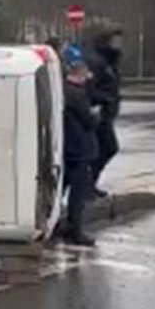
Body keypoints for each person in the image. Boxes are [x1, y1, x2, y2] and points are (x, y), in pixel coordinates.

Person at [60, 45, 98, 246]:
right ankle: (75, 230)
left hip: (66, 148)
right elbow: (89, 120)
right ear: (80, 70)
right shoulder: (76, 94)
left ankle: (61, 224)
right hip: (79, 148)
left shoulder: (63, 90)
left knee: (61, 188)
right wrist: (96, 116)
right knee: (78, 193)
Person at [87, 29, 124, 195]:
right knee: (107, 148)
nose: (119, 45)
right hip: (98, 114)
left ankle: (89, 185)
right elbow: (89, 88)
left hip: (106, 113)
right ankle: (86, 186)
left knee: (101, 150)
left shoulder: (110, 62)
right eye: (115, 41)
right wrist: (105, 100)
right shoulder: (97, 62)